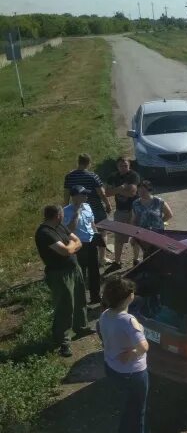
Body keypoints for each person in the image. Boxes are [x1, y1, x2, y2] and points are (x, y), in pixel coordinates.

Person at [97, 277, 164, 433]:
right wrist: (133, 351)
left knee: (127, 408)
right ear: (128, 297)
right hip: (133, 374)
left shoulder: (104, 315)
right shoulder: (128, 321)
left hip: (112, 368)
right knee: (138, 414)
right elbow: (144, 346)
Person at [34, 204, 94, 357]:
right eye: (61, 214)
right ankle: (63, 341)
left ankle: (81, 327)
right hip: (59, 274)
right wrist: (72, 247)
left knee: (80, 299)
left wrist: (71, 248)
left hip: (74, 269)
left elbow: (77, 241)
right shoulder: (45, 233)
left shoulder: (60, 227)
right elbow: (66, 250)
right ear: (58, 215)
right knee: (65, 306)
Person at [64, 153, 113, 264]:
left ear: (78, 162)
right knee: (102, 232)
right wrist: (108, 204)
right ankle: (102, 258)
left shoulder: (69, 177)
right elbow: (101, 193)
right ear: (89, 163)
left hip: (75, 207)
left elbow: (66, 195)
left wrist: (66, 208)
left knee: (78, 233)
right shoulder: (92, 176)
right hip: (95, 207)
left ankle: (80, 257)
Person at [63, 186, 103, 304]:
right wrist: (76, 213)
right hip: (79, 245)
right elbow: (69, 230)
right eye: (83, 194)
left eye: (86, 194)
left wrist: (97, 236)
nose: (86, 196)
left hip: (91, 242)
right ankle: (80, 299)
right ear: (75, 197)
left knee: (94, 270)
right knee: (81, 272)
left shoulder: (87, 207)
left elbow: (92, 224)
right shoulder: (66, 211)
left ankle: (95, 296)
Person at [105, 158, 140, 273]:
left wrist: (116, 190)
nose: (124, 168)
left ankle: (135, 259)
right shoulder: (112, 176)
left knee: (135, 236)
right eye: (121, 166)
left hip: (133, 211)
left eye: (125, 165)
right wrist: (121, 188)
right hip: (120, 211)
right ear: (117, 166)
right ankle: (117, 262)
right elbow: (107, 193)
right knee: (118, 238)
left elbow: (132, 193)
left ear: (129, 166)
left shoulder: (133, 176)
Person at [131, 180, 173, 263]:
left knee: (158, 254)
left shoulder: (159, 201)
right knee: (147, 255)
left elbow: (169, 214)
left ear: (149, 190)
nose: (141, 193)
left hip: (158, 232)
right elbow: (134, 220)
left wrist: (160, 222)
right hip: (143, 234)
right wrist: (134, 235)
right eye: (139, 191)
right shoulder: (136, 203)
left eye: (143, 191)